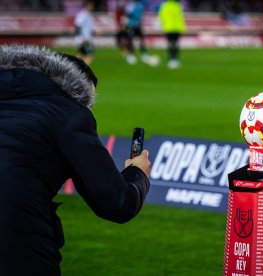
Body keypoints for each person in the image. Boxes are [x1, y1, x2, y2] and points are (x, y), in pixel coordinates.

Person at [0, 44, 151, 275]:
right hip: (18, 245)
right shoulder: (68, 111)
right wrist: (137, 173)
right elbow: (117, 203)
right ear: (76, 89)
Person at [119, 0, 159, 65]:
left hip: (138, 25)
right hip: (131, 25)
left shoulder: (140, 5)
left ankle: (144, 54)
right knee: (131, 40)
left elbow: (140, 15)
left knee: (141, 40)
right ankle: (131, 55)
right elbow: (127, 14)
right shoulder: (131, 5)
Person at [159, 0, 186, 69]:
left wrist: (163, 25)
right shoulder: (177, 5)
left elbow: (161, 16)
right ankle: (174, 59)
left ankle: (172, 59)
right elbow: (181, 17)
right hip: (175, 27)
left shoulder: (165, 5)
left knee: (171, 43)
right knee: (174, 43)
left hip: (169, 27)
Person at [74, 0, 95, 65]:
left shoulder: (88, 15)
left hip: (87, 39)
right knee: (90, 55)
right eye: (91, 5)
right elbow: (77, 27)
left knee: (81, 56)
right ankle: (82, 69)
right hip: (83, 40)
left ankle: (74, 68)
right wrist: (81, 38)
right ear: (87, 5)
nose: (92, 7)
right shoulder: (82, 15)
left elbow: (88, 28)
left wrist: (93, 32)